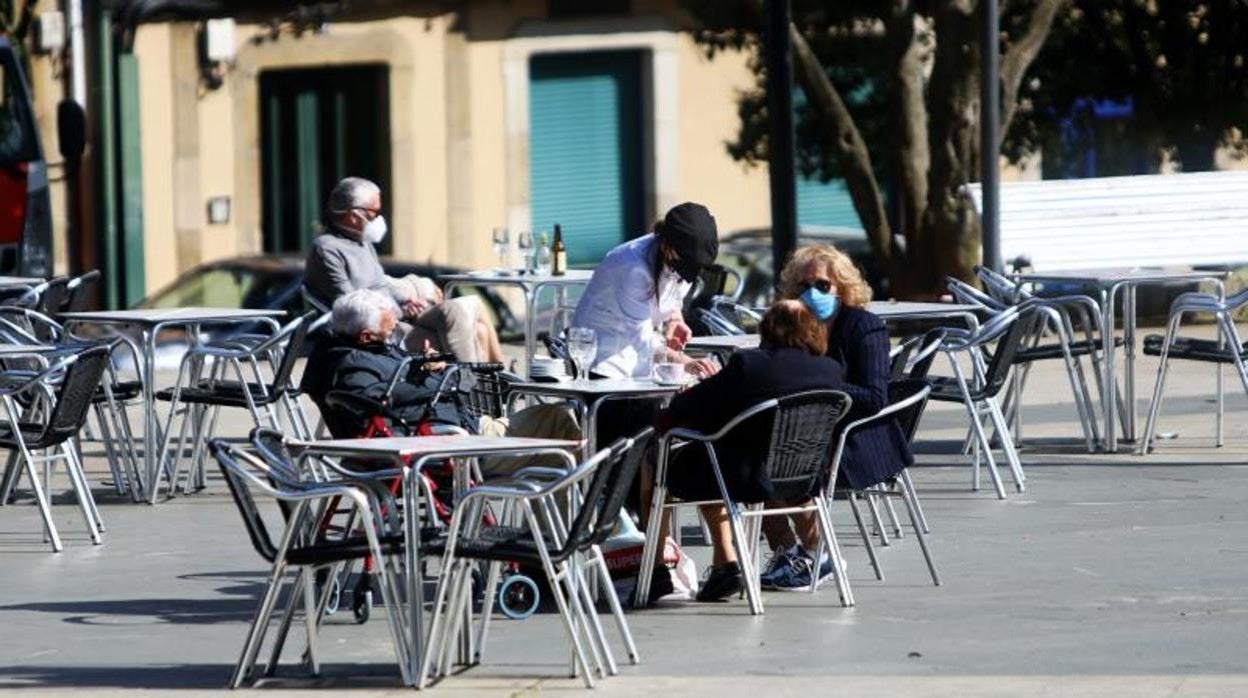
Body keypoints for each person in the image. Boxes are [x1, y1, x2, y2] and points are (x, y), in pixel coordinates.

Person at [647, 300, 846, 602]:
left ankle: (657, 570)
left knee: (659, 458)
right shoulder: (831, 371)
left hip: (746, 476)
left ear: (767, 329)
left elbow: (679, 412)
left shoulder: (749, 366)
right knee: (714, 451)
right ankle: (722, 565)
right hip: (802, 477)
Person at [757, 243, 914, 591]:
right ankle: (788, 553)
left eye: (822, 285)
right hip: (798, 433)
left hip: (854, 438)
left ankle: (817, 553)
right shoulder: (790, 323)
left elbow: (874, 397)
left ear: (842, 287)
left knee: (778, 460)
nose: (812, 293)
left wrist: (820, 394)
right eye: (803, 286)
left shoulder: (864, 326)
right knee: (745, 456)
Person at [301, 289, 579, 476]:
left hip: (448, 430)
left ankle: (559, 534)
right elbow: (377, 398)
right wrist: (434, 377)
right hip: (449, 444)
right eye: (389, 331)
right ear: (364, 336)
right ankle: (579, 534)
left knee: (558, 419)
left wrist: (423, 366)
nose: (393, 335)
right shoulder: (353, 365)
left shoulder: (353, 352)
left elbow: (393, 385)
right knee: (562, 426)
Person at [304, 177, 504, 363]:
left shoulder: (362, 242)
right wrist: (402, 311)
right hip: (383, 329)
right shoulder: (327, 248)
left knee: (469, 306)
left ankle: (499, 377)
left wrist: (411, 298)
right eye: (374, 213)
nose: (377, 220)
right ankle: (471, 389)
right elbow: (352, 306)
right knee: (476, 332)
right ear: (353, 214)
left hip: (399, 315)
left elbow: (381, 283)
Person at [571, 202, 722, 380]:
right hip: (602, 360)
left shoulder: (679, 258)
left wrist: (675, 319)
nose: (687, 272)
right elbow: (640, 338)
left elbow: (673, 292)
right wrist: (686, 362)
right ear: (667, 246)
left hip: (641, 359)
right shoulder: (632, 267)